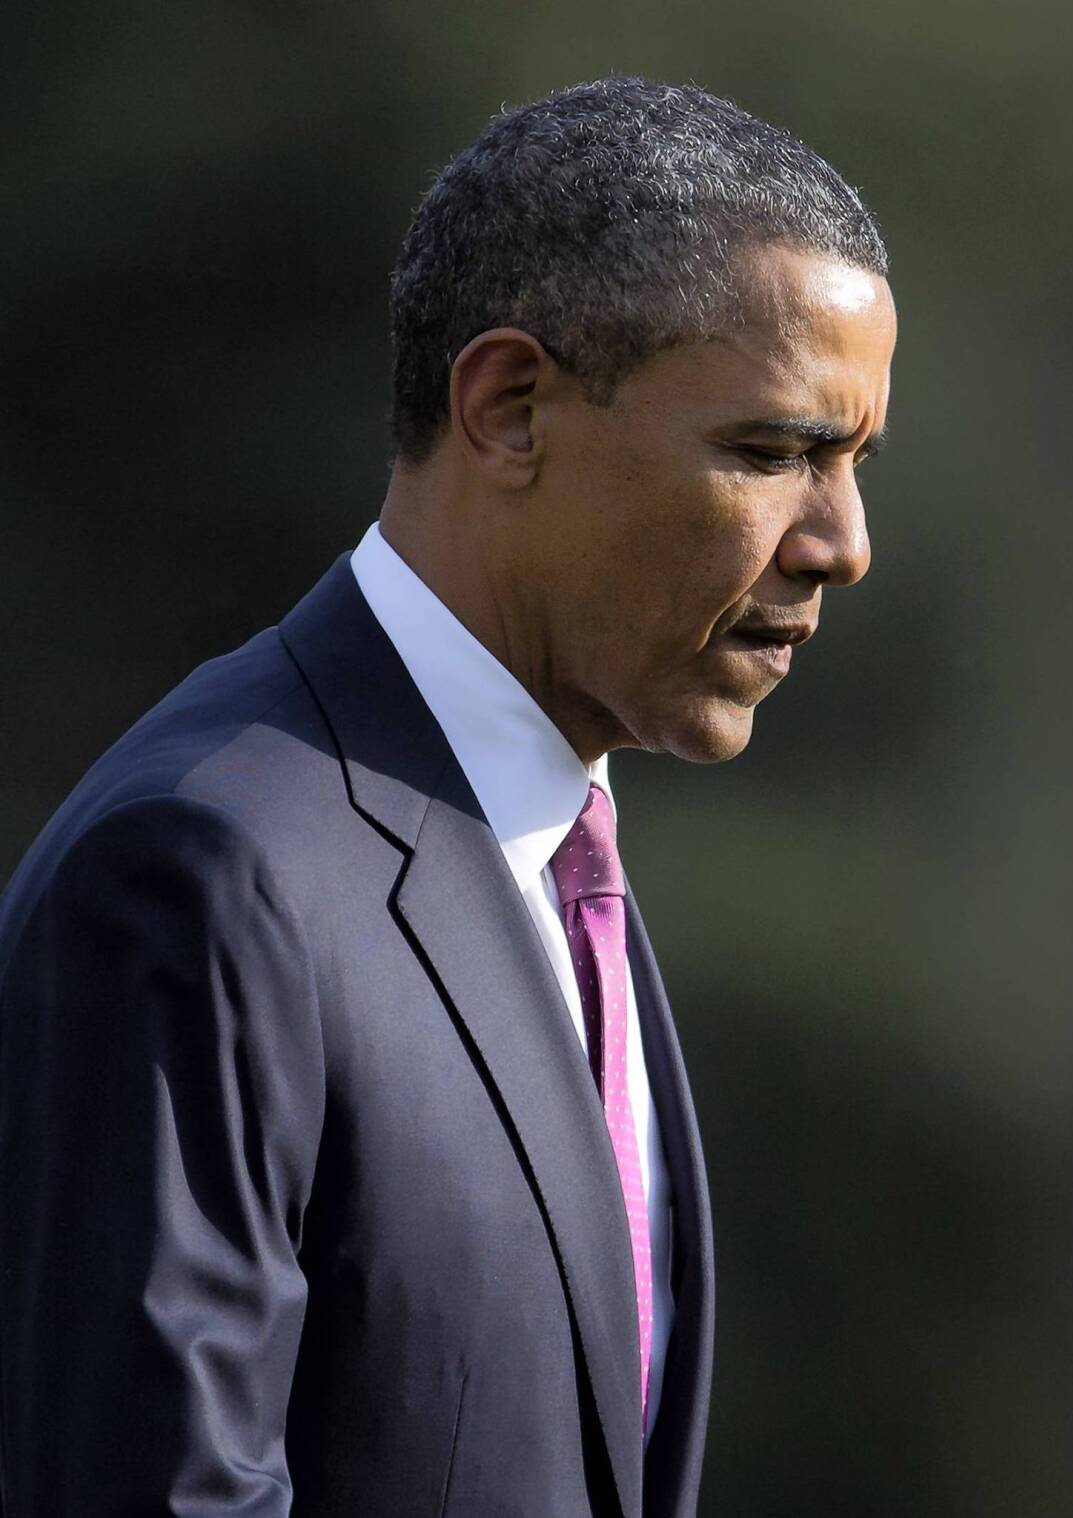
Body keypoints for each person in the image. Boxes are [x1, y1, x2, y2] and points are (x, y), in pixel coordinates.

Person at [0, 75, 894, 1518]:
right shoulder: (206, 874)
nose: (843, 542)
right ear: (509, 407)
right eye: (773, 450)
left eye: (855, 462)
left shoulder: (549, 856)